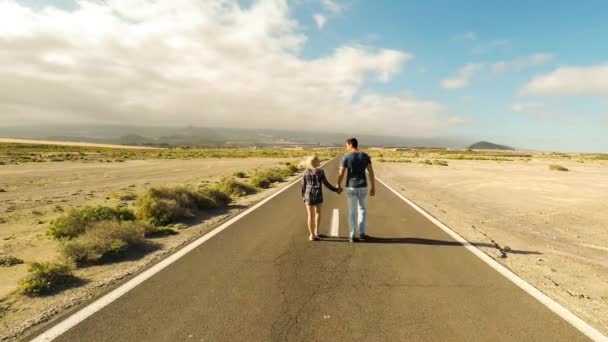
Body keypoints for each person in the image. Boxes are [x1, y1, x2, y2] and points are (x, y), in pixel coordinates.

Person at [337, 138, 375, 243]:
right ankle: (362, 233)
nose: (346, 147)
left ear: (350, 145)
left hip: (351, 186)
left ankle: (352, 235)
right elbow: (371, 173)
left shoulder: (346, 157)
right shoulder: (365, 156)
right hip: (363, 186)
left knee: (352, 211)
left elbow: (341, 173)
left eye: (346, 145)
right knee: (362, 210)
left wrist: (338, 185)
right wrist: (373, 187)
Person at [301, 156, 341, 241]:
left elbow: (303, 185)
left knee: (310, 215)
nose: (319, 161)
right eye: (318, 160)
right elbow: (326, 184)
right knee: (318, 212)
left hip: (308, 194)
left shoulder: (305, 172)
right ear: (315, 162)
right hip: (318, 193)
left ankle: (311, 235)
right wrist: (336, 190)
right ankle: (317, 231)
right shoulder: (320, 172)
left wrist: (303, 196)